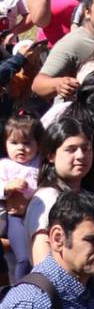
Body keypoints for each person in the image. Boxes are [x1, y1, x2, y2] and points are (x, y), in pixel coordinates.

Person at [26, 119, 94, 274]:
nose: (81, 156)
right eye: (71, 149)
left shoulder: (88, 196)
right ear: (51, 155)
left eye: (86, 148)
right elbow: (43, 264)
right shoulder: (48, 199)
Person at [30, 0, 94, 101]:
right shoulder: (72, 43)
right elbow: (38, 84)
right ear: (87, 13)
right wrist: (58, 84)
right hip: (80, 113)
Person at [0, 114, 43, 283]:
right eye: (14, 143)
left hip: (39, 218)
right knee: (24, 258)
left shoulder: (40, 163)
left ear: (38, 144)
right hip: (16, 218)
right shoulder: (4, 165)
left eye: (27, 143)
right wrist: (7, 187)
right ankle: (19, 289)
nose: (20, 148)